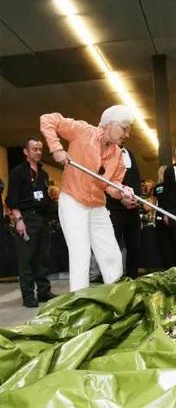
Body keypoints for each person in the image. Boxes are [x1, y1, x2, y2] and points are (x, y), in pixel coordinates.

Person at [40, 106, 135, 292]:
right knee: (80, 253)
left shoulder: (118, 155)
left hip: (98, 206)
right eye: (124, 128)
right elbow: (47, 119)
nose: (128, 134)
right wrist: (56, 148)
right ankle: (79, 302)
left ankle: (115, 297)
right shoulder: (82, 131)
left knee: (112, 255)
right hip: (73, 201)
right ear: (109, 124)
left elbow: (110, 186)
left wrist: (122, 192)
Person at [6, 138, 57, 307]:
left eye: (40, 149)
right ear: (26, 152)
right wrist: (19, 220)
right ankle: (28, 295)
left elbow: (45, 197)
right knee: (26, 259)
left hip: (42, 219)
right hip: (26, 218)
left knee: (42, 257)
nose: (38, 152)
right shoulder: (18, 172)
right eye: (34, 149)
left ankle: (43, 291)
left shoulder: (43, 173)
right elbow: (12, 200)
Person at [106, 146, 141, 279]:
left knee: (134, 244)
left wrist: (136, 199)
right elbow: (104, 182)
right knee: (113, 244)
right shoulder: (106, 152)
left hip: (133, 208)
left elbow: (136, 180)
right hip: (115, 208)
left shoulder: (130, 153)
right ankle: (113, 278)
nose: (125, 134)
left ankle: (133, 277)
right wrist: (121, 200)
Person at [153, 165, 176, 268]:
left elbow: (155, 201)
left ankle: (167, 266)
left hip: (161, 215)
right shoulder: (165, 187)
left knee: (164, 242)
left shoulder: (158, 187)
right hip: (167, 215)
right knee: (170, 242)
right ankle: (171, 265)